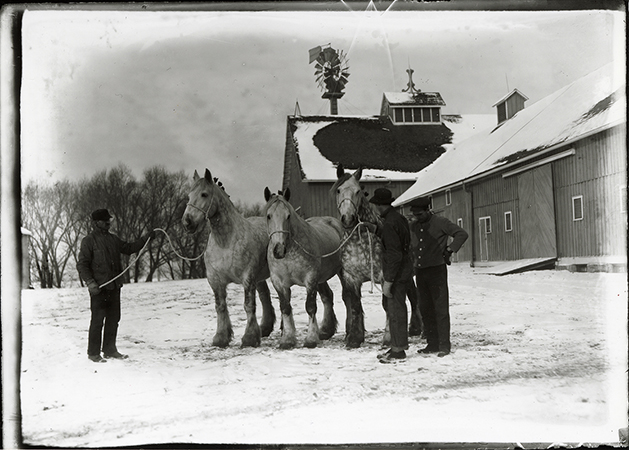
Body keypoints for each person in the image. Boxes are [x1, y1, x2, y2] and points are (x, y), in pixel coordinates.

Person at [77, 209, 155, 363]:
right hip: (99, 289)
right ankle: (93, 353)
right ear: (96, 222)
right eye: (105, 220)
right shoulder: (88, 241)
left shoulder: (113, 239)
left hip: (114, 287)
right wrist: (90, 282)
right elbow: (82, 265)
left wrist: (146, 238)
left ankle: (110, 350)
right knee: (97, 320)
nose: (108, 222)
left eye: (109, 219)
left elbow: (129, 248)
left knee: (113, 319)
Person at [408, 196, 468, 357]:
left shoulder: (441, 222)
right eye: (415, 215)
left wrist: (449, 250)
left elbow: (461, 234)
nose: (417, 218)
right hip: (420, 272)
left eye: (420, 214)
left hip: (437, 271)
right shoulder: (412, 226)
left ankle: (444, 345)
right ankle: (432, 344)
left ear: (428, 210)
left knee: (440, 309)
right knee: (425, 308)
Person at [368, 188, 414, 364]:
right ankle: (397, 345)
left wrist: (388, 281)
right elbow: (396, 239)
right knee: (396, 309)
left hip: (396, 274)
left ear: (379, 206)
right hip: (404, 272)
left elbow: (395, 254)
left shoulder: (389, 223)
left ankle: (398, 351)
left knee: (395, 311)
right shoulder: (398, 218)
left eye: (375, 205)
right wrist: (376, 230)